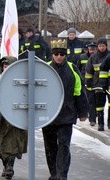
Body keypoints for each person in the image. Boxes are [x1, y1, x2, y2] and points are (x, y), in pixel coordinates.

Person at [44, 39, 89, 180]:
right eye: (56, 54)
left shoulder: (72, 69)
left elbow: (79, 91)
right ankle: (54, 173)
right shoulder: (44, 68)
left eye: (62, 54)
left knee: (64, 146)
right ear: (52, 54)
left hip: (66, 114)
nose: (59, 57)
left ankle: (62, 175)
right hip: (48, 116)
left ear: (65, 55)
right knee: (50, 147)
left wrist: (83, 112)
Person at [85, 37, 109, 131]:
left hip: (108, 83)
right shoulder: (93, 58)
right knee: (99, 105)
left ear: (106, 46)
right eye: (100, 46)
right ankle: (100, 124)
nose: (101, 47)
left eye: (103, 45)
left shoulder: (109, 56)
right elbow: (89, 71)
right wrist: (89, 83)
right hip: (98, 84)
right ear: (97, 47)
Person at [77, 42, 97, 125]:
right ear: (87, 49)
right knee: (90, 101)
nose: (92, 51)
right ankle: (92, 119)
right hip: (86, 82)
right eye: (90, 49)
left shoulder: (98, 57)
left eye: (93, 49)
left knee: (97, 101)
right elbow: (78, 68)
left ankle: (95, 116)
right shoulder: (82, 57)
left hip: (97, 82)